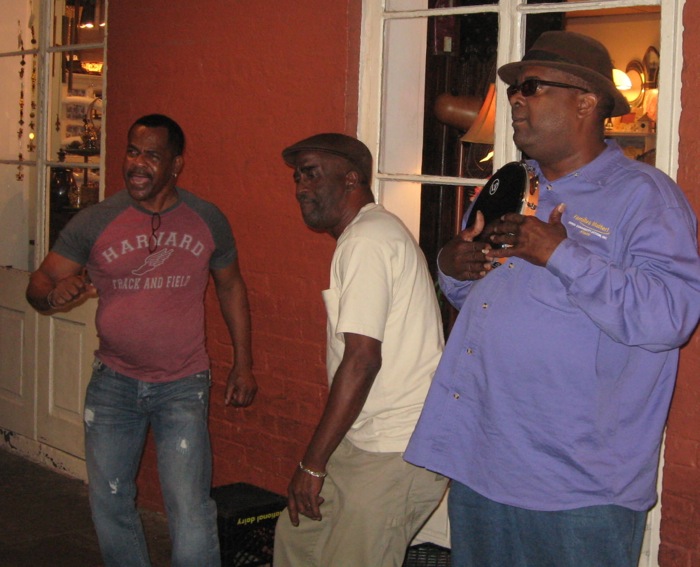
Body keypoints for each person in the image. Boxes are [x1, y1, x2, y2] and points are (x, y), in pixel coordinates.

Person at [404, 31, 700, 567]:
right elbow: (479, 294)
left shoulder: (645, 197)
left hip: (576, 487)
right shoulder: (510, 183)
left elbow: (669, 317)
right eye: (516, 88)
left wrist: (560, 253)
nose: (516, 98)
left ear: (587, 102)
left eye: (532, 87)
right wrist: (454, 267)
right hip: (482, 460)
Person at [26, 114, 256, 567]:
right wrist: (53, 296)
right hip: (113, 385)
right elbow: (37, 286)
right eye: (133, 151)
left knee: (190, 510)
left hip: (182, 385)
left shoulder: (206, 219)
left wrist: (243, 364)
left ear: (176, 165)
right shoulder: (95, 221)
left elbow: (231, 286)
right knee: (110, 505)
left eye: (152, 154)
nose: (138, 163)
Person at [273, 133, 449, 567]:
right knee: (298, 538)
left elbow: (362, 358)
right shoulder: (367, 234)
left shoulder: (366, 240)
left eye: (311, 174)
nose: (300, 187)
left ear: (351, 178)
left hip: (396, 446)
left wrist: (312, 465)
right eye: (297, 178)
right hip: (365, 439)